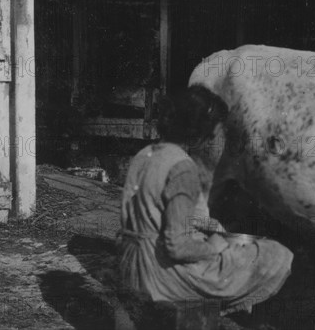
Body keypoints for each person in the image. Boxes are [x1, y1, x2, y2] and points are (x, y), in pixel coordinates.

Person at [116, 85, 293, 316]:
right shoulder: (183, 168)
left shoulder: (146, 153)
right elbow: (177, 247)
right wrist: (213, 247)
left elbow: (157, 212)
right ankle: (212, 307)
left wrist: (206, 227)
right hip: (158, 276)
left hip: (129, 263)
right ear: (201, 133)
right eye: (217, 131)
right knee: (274, 254)